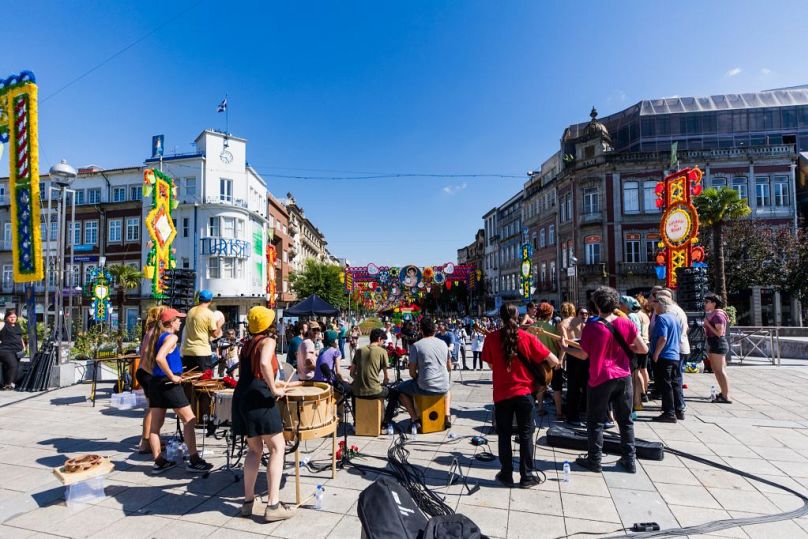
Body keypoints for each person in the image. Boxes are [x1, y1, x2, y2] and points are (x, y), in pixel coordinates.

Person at [561, 287, 648, 474]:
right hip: (623, 377)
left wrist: (565, 348)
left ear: (597, 305)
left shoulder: (593, 326)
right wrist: (623, 345)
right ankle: (629, 460)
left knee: (595, 421)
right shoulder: (626, 323)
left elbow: (584, 355)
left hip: (601, 377)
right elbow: (643, 349)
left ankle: (595, 460)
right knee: (625, 421)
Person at [482, 304, 560, 489]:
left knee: (504, 434)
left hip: (502, 393)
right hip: (525, 393)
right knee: (526, 434)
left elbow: (492, 366)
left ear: (500, 318)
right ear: (518, 317)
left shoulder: (491, 338)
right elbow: (554, 361)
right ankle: (527, 476)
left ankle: (506, 474)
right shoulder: (527, 337)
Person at [233, 306, 298, 522]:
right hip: (259, 397)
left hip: (243, 395)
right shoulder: (268, 341)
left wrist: (271, 381)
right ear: (269, 324)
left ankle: (248, 502)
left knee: (254, 450)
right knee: (277, 447)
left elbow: (252, 373)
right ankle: (273, 505)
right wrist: (273, 389)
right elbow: (263, 363)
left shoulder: (247, 344)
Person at [147, 308, 213, 474]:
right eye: (177, 319)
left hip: (156, 383)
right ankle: (194, 460)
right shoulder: (171, 337)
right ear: (170, 322)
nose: (180, 322)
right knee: (189, 419)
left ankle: (158, 462)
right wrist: (173, 376)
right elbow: (159, 358)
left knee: (155, 426)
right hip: (168, 384)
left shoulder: (158, 336)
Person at [397, 318, 452, 430]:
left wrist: (419, 377)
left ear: (421, 331)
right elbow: (449, 367)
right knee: (447, 390)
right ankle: (447, 415)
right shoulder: (443, 344)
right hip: (443, 385)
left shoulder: (416, 346)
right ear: (435, 330)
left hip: (425, 385)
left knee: (400, 390)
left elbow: (412, 373)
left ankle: (415, 419)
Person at [351, 328, 397, 428]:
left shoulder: (359, 351)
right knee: (394, 394)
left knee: (353, 392)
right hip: (374, 391)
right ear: (379, 339)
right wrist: (383, 384)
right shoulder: (382, 351)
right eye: (383, 341)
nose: (383, 343)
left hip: (358, 391)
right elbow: (387, 377)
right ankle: (385, 422)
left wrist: (360, 380)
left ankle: (356, 421)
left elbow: (351, 373)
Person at [135, 305, 165, 453]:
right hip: (148, 373)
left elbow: (143, 352)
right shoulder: (156, 332)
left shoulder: (150, 331)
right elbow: (151, 355)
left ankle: (149, 440)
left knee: (152, 409)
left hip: (143, 372)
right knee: (152, 410)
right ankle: (145, 443)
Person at [650, 295, 684, 422]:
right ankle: (678, 410)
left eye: (655, 304)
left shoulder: (662, 319)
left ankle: (669, 413)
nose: (654, 307)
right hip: (675, 355)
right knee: (675, 383)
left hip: (665, 356)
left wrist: (656, 354)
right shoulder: (674, 318)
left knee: (665, 385)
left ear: (661, 304)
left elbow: (663, 338)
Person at [533, 302, 564, 419]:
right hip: (553, 360)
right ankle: (559, 412)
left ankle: (540, 409)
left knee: (540, 386)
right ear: (549, 313)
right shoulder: (551, 328)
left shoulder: (533, 327)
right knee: (556, 387)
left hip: (539, 362)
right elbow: (558, 345)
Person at [180, 290, 223, 371]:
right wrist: (220, 323)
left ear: (199, 299)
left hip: (187, 352)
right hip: (202, 352)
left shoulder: (190, 311)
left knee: (189, 380)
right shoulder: (209, 313)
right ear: (210, 300)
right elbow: (215, 335)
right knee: (203, 380)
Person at [703, 292, 732, 404]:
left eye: (707, 302)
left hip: (718, 343)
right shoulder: (713, 313)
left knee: (720, 370)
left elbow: (719, 333)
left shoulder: (718, 315)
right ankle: (723, 393)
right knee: (716, 370)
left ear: (714, 303)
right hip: (714, 343)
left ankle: (726, 395)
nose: (705, 304)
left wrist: (707, 324)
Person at [0, 310, 26, 390]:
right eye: (10, 317)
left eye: (14, 317)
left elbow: (19, 337)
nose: (12, 319)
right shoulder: (3, 324)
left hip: (17, 351)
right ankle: (9, 384)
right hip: (5, 350)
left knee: (12, 367)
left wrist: (24, 346)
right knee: (13, 365)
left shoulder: (17, 325)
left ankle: (7, 383)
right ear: (6, 318)